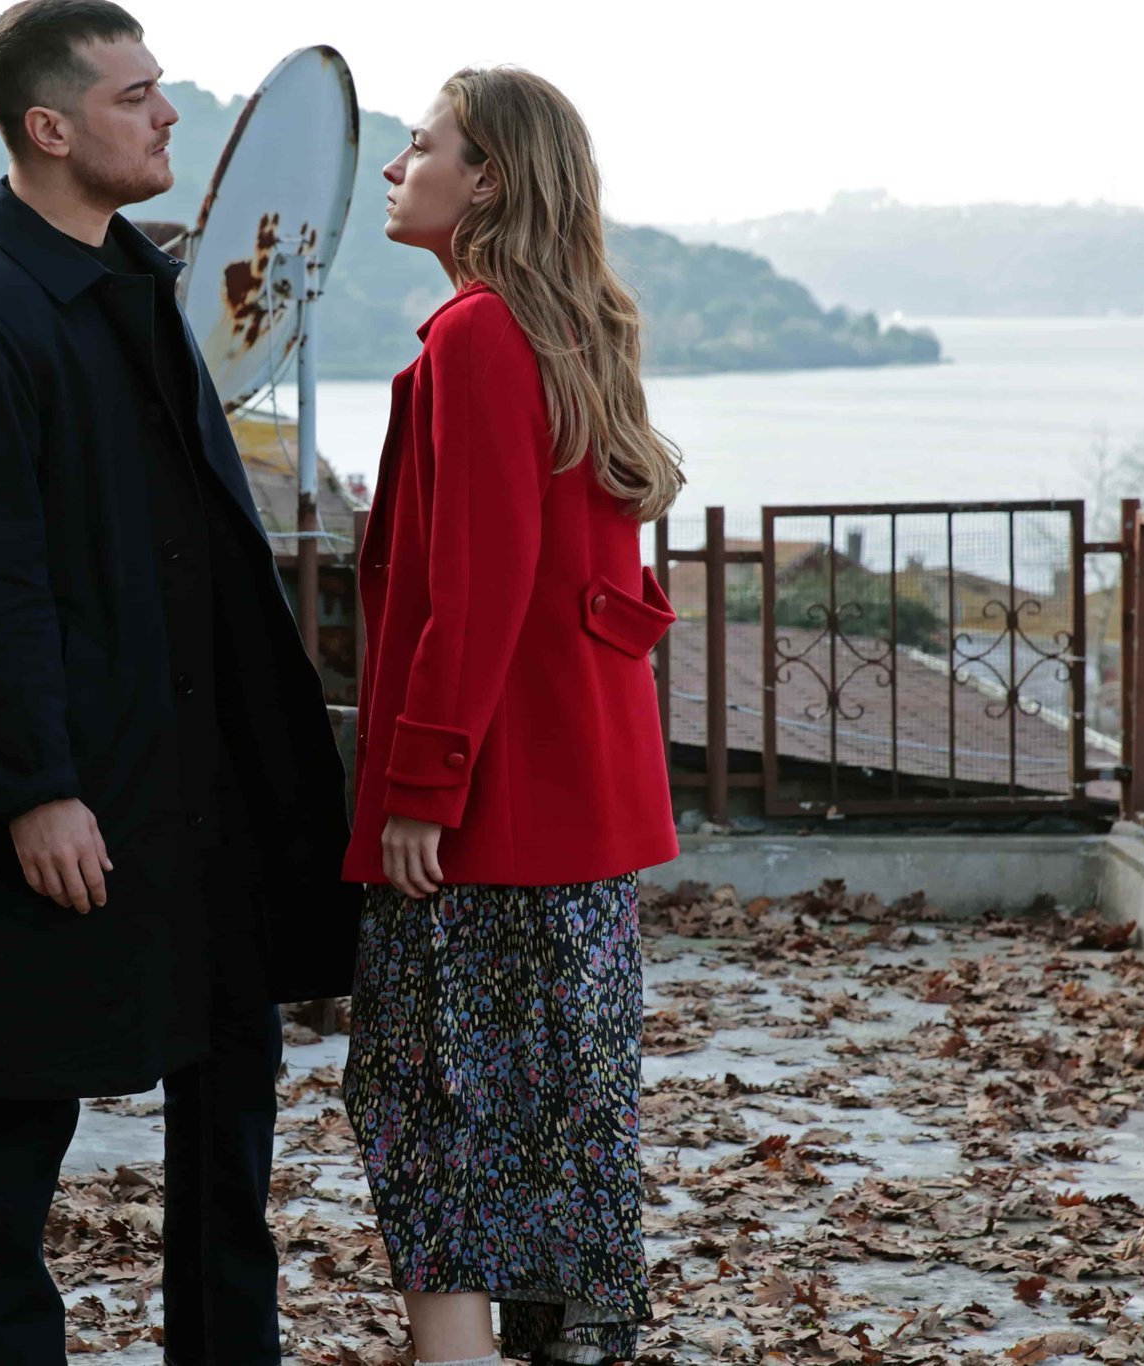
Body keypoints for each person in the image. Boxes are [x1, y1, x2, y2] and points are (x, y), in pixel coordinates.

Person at [0, 2, 359, 1362]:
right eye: (133, 96)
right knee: (16, 1118)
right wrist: (35, 790)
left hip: (194, 787)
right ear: (49, 128)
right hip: (71, 800)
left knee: (229, 1118)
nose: (167, 115)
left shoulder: (138, 283)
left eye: (160, 88)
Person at [341, 66, 686, 1366]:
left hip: (493, 812)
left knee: (429, 1102)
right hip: (573, 808)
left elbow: (474, 590)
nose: (395, 168)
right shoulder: (569, 331)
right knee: (561, 1111)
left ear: (485, 179)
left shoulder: (481, 336)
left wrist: (422, 787)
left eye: (420, 146)